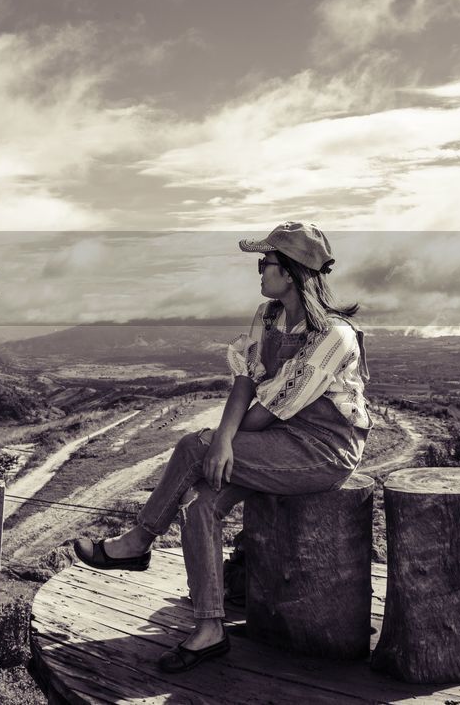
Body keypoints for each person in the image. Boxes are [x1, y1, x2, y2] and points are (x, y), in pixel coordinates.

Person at [72, 221, 370, 674]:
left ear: (289, 272)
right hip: (270, 440)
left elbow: (276, 406)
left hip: (321, 450)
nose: (259, 272)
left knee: (196, 447)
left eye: (264, 263)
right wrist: (223, 443)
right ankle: (209, 627)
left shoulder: (333, 336)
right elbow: (246, 383)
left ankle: (138, 541)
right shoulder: (268, 317)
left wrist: (220, 444)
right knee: (199, 502)